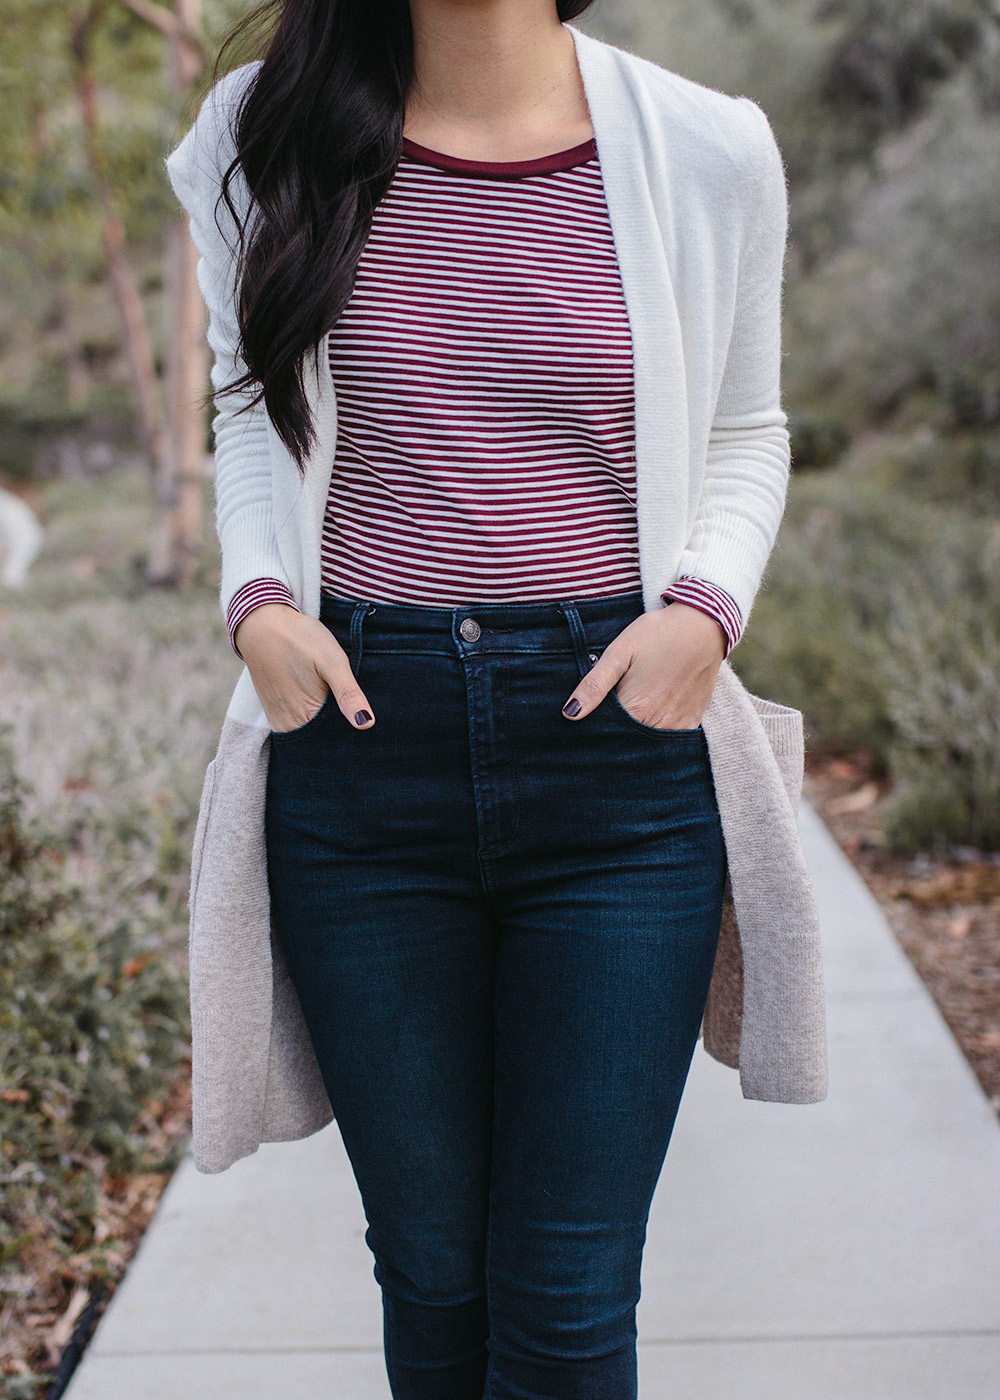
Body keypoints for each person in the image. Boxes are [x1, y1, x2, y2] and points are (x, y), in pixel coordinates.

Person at [167, 2, 827, 1396]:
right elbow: (247, 401)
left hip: (616, 773)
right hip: (359, 753)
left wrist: (705, 611)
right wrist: (260, 603)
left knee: (569, 1294)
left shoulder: (709, 149)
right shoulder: (266, 130)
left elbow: (746, 428)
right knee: (432, 1275)